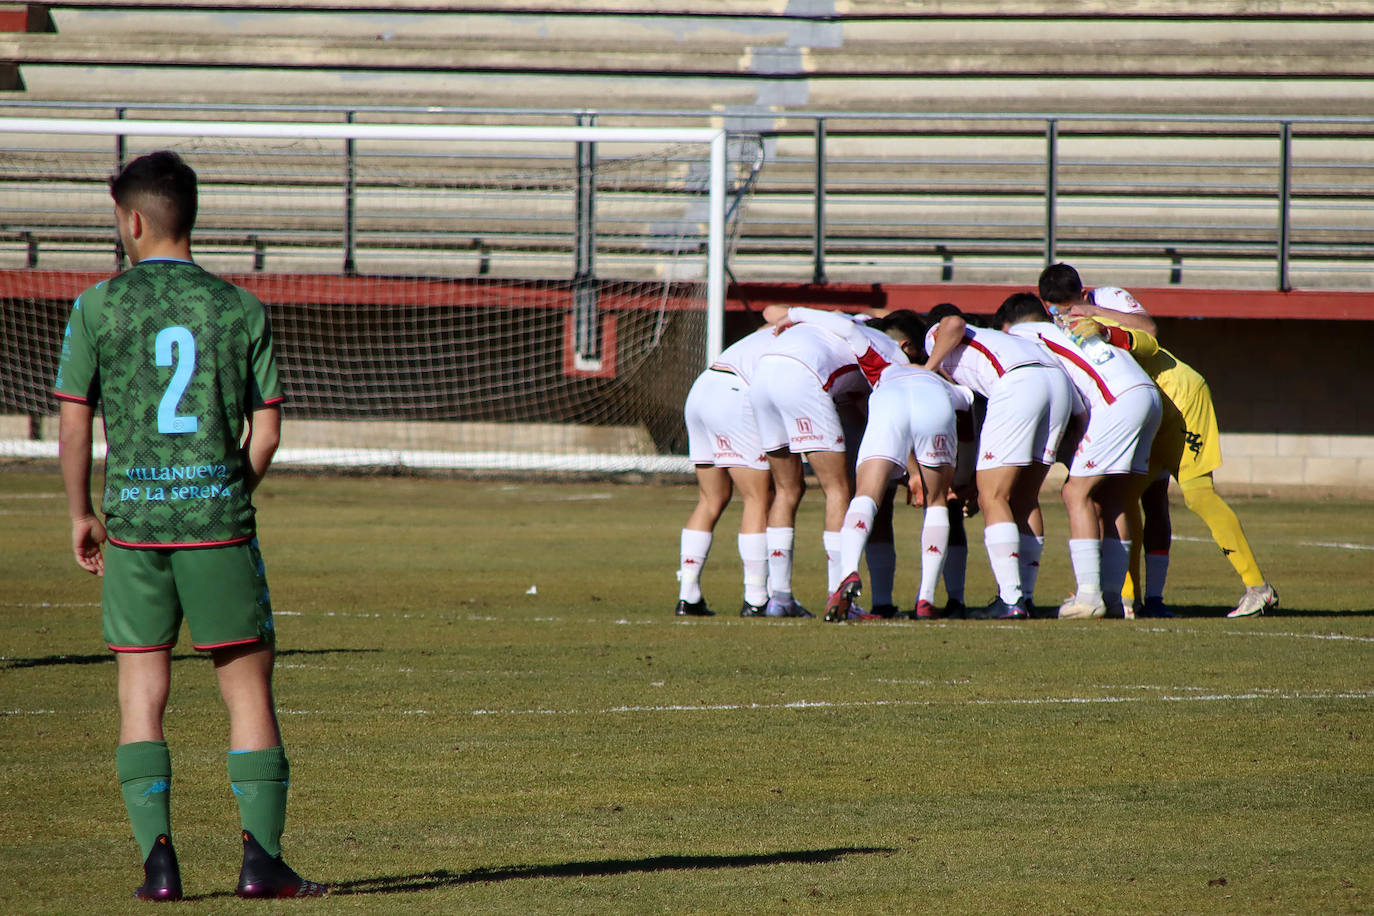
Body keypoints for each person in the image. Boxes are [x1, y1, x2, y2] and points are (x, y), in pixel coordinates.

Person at [54, 151, 326, 900]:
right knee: (246, 693)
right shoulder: (240, 307)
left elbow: (74, 427)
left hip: (136, 528)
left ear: (132, 221)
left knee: (142, 690)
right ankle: (262, 863)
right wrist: (224, 488)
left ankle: (161, 867)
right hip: (219, 529)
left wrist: (83, 513)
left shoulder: (96, 307)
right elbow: (265, 433)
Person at [1071, 287, 1279, 618]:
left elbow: (1148, 333)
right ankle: (1131, 600)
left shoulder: (1104, 298)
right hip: (1148, 412)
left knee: (1198, 495)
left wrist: (1100, 321)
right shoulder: (1062, 332)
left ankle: (1258, 588)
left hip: (1182, 399)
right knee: (1122, 501)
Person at [770, 307, 976, 621]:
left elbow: (847, 328)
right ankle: (926, 599)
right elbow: (967, 425)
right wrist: (962, 482)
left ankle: (848, 572)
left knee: (865, 496)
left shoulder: (880, 362)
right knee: (936, 503)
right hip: (937, 400)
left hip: (888, 399)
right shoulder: (949, 384)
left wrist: (796, 313)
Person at [997, 291, 1161, 620]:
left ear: (1008, 325)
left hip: (1117, 401)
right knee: (1112, 500)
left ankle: (1088, 596)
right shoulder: (1066, 326)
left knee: (1075, 492)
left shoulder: (1022, 335)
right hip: (1148, 396)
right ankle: (1115, 598)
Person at [918, 304, 1074, 619]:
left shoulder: (934, 336)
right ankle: (1025, 596)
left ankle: (1011, 598)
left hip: (1018, 383)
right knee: (1024, 497)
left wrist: (928, 366)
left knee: (994, 496)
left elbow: (952, 322)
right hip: (1058, 383)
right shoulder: (994, 341)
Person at [748, 308, 869, 617]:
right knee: (838, 490)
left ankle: (780, 600)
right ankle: (839, 597)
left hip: (761, 379)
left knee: (786, 490)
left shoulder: (811, 325)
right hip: (802, 378)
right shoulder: (867, 339)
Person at [677, 325, 777, 617]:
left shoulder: (784, 323)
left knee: (711, 498)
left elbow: (769, 312)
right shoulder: (834, 337)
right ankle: (756, 599)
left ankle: (688, 596)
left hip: (702, 388)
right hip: (734, 392)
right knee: (758, 497)